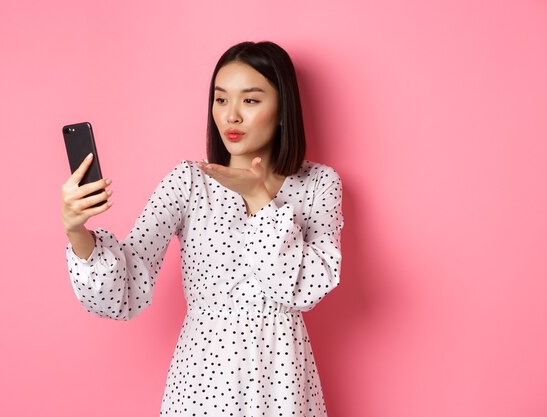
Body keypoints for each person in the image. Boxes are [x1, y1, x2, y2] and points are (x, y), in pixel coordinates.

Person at [61, 41, 343, 416]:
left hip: (282, 380)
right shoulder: (189, 182)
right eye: (221, 100)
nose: (231, 117)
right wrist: (77, 231)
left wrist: (259, 198)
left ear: (282, 111)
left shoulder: (319, 184)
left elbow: (305, 290)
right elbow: (127, 285)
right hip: (202, 383)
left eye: (251, 100)